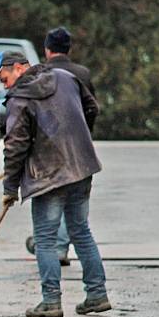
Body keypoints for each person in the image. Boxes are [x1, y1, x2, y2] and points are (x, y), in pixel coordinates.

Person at [0, 50, 111, 317]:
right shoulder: (66, 78)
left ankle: (51, 301)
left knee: (45, 239)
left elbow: (15, 147)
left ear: (19, 68)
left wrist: (9, 188)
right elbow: (92, 108)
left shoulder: (19, 99)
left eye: (4, 77)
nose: (3, 84)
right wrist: (78, 135)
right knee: (80, 230)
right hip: (81, 165)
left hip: (49, 175)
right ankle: (97, 294)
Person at [26, 26, 97, 265]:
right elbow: (91, 107)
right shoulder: (82, 73)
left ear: (47, 50)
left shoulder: (41, 74)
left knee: (49, 209)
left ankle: (54, 247)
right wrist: (85, 132)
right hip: (79, 150)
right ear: (69, 48)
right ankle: (62, 245)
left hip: (50, 150)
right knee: (78, 216)